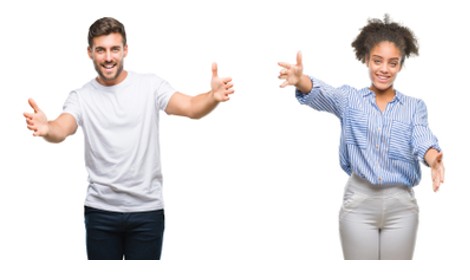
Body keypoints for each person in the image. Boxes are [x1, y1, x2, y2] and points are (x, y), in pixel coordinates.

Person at [22, 17, 235, 260]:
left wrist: (212, 97)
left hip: (147, 212)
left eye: (114, 49)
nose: (108, 57)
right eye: (101, 50)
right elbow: (63, 127)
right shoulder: (81, 97)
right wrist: (47, 128)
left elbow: (190, 106)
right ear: (90, 52)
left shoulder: (150, 86)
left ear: (125, 50)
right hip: (101, 212)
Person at [276, 15, 443, 260]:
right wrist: (301, 80)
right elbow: (324, 93)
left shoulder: (414, 106)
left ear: (400, 65)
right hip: (359, 203)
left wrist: (432, 157)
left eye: (393, 63)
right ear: (366, 59)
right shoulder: (350, 100)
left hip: (402, 207)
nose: (384, 69)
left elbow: (420, 135)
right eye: (377, 61)